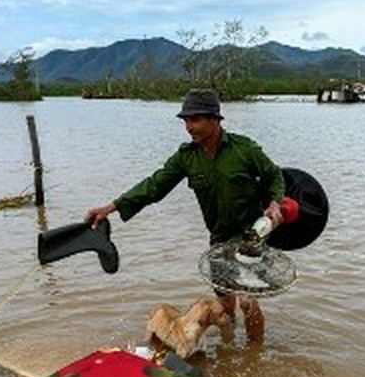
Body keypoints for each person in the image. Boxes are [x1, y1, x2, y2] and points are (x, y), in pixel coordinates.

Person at [85, 88, 285, 343]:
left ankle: (255, 355)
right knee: (224, 304)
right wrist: (111, 207)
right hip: (219, 240)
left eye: (196, 119)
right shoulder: (186, 158)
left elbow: (274, 176)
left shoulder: (245, 150)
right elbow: (154, 185)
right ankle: (230, 348)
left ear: (215, 119)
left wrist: (275, 203)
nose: (189, 127)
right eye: (186, 121)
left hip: (251, 237)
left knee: (248, 302)